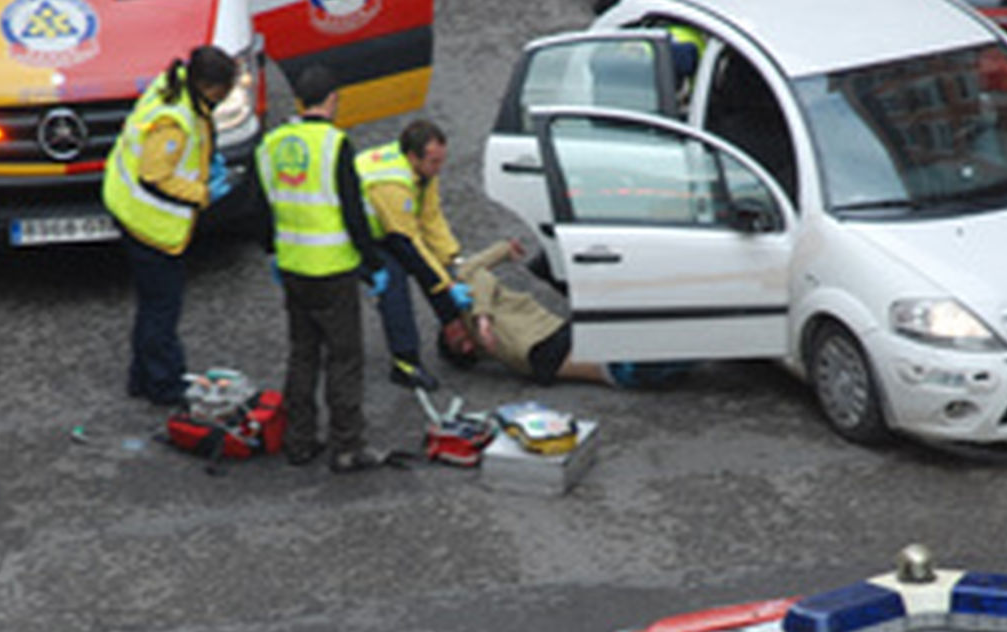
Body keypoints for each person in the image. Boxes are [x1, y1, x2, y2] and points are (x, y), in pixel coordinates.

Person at [254, 65, 388, 473]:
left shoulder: (271, 144)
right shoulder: (335, 145)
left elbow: (262, 211)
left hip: (293, 268)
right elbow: (352, 212)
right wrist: (373, 263)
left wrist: (274, 253)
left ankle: (299, 440)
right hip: (333, 270)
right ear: (331, 100)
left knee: (303, 354)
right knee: (344, 359)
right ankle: (347, 446)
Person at [103, 45, 237, 406]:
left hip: (127, 205)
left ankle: (141, 376)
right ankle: (163, 383)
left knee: (152, 303)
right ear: (210, 87)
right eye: (224, 92)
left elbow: (197, 127)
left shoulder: (174, 85)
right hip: (149, 223)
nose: (224, 100)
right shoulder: (173, 121)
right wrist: (202, 193)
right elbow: (154, 175)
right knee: (162, 307)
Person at [438, 239, 696, 388]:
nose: (452, 325)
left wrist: (505, 250)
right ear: (465, 348)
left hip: (558, 334)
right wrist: (481, 319)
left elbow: (472, 271)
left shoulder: (476, 307)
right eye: (454, 337)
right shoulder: (484, 335)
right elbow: (472, 275)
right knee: (623, 354)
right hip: (550, 349)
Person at [356, 119, 474, 392]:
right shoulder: (391, 185)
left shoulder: (423, 171)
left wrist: (453, 261)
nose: (439, 168)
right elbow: (409, 245)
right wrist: (446, 284)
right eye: (434, 162)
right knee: (395, 281)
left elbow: (432, 220)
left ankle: (452, 328)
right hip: (354, 238)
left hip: (386, 231)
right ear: (412, 157)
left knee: (436, 271)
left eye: (441, 160)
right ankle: (405, 363)